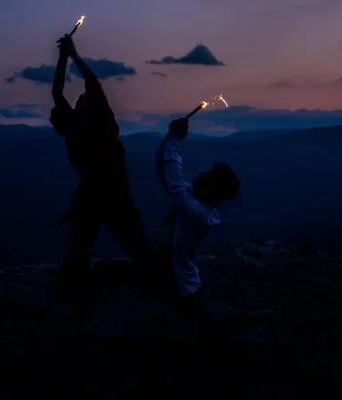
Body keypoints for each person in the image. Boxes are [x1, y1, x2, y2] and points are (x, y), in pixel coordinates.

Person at [48, 34, 153, 305]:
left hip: (103, 197)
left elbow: (75, 87)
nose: (82, 99)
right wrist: (67, 56)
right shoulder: (86, 128)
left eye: (82, 100)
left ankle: (70, 293)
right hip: (106, 197)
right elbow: (70, 89)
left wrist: (67, 55)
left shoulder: (87, 129)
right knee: (93, 247)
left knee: (88, 249)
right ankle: (74, 293)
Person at [155, 118, 277, 341]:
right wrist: (169, 138)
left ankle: (256, 318)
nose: (201, 173)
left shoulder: (197, 213)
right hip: (174, 278)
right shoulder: (194, 199)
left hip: (183, 285)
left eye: (207, 175)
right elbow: (165, 172)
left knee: (208, 330)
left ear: (210, 189)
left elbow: (173, 181)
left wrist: (176, 138)